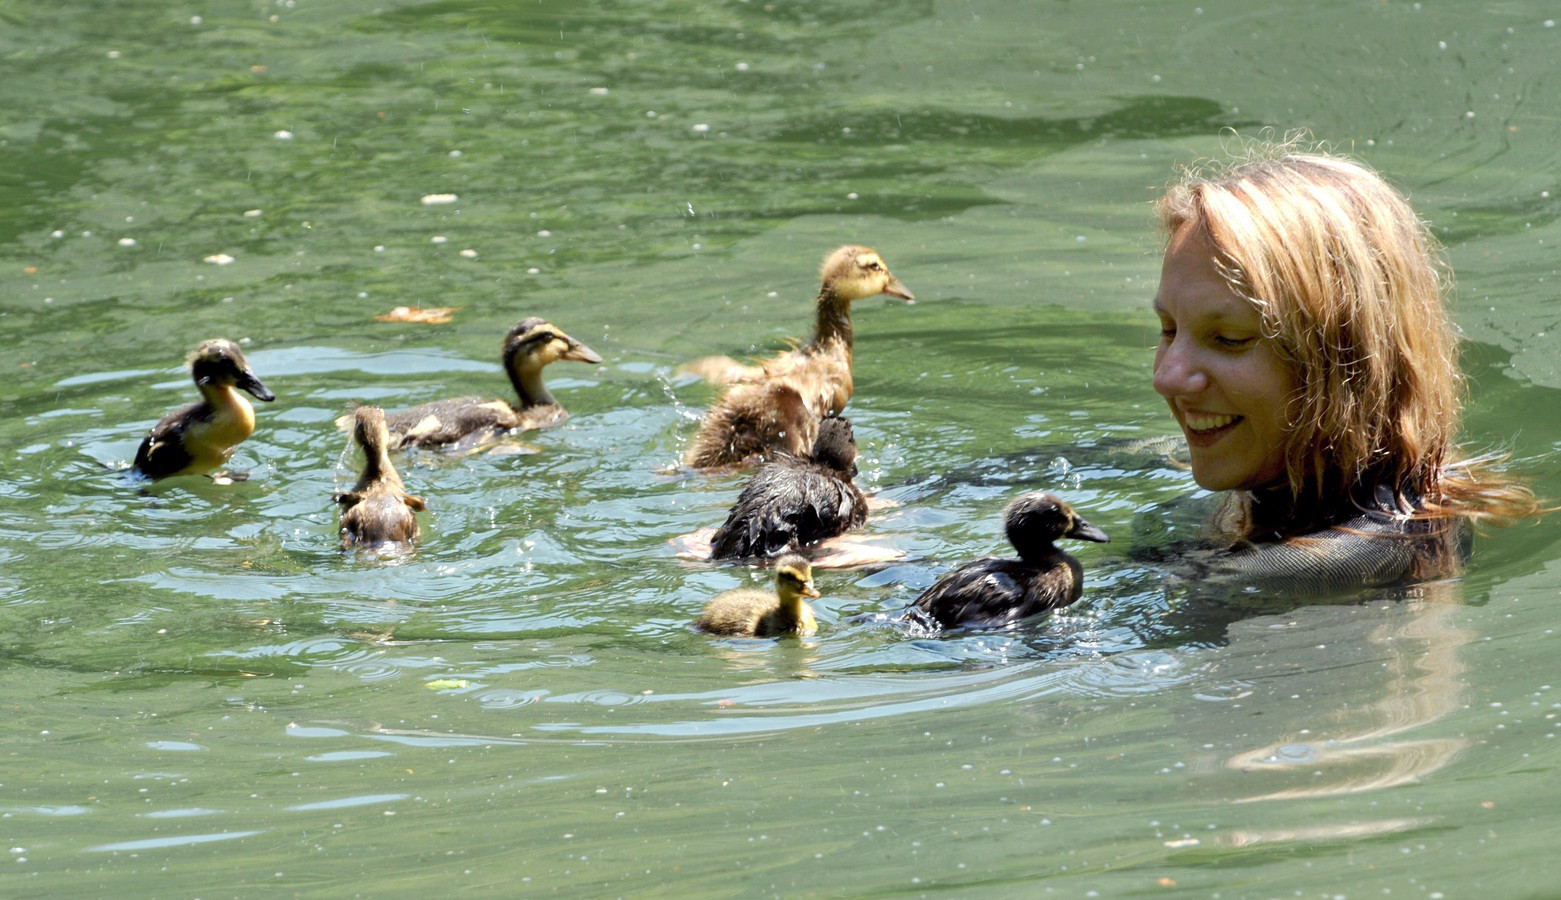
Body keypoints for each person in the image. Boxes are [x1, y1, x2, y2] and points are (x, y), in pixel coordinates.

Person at [1149, 138, 1541, 590]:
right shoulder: (1328, 483)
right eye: (1168, 329)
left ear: (1346, 362)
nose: (1166, 377)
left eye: (1229, 338)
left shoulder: (1326, 566)